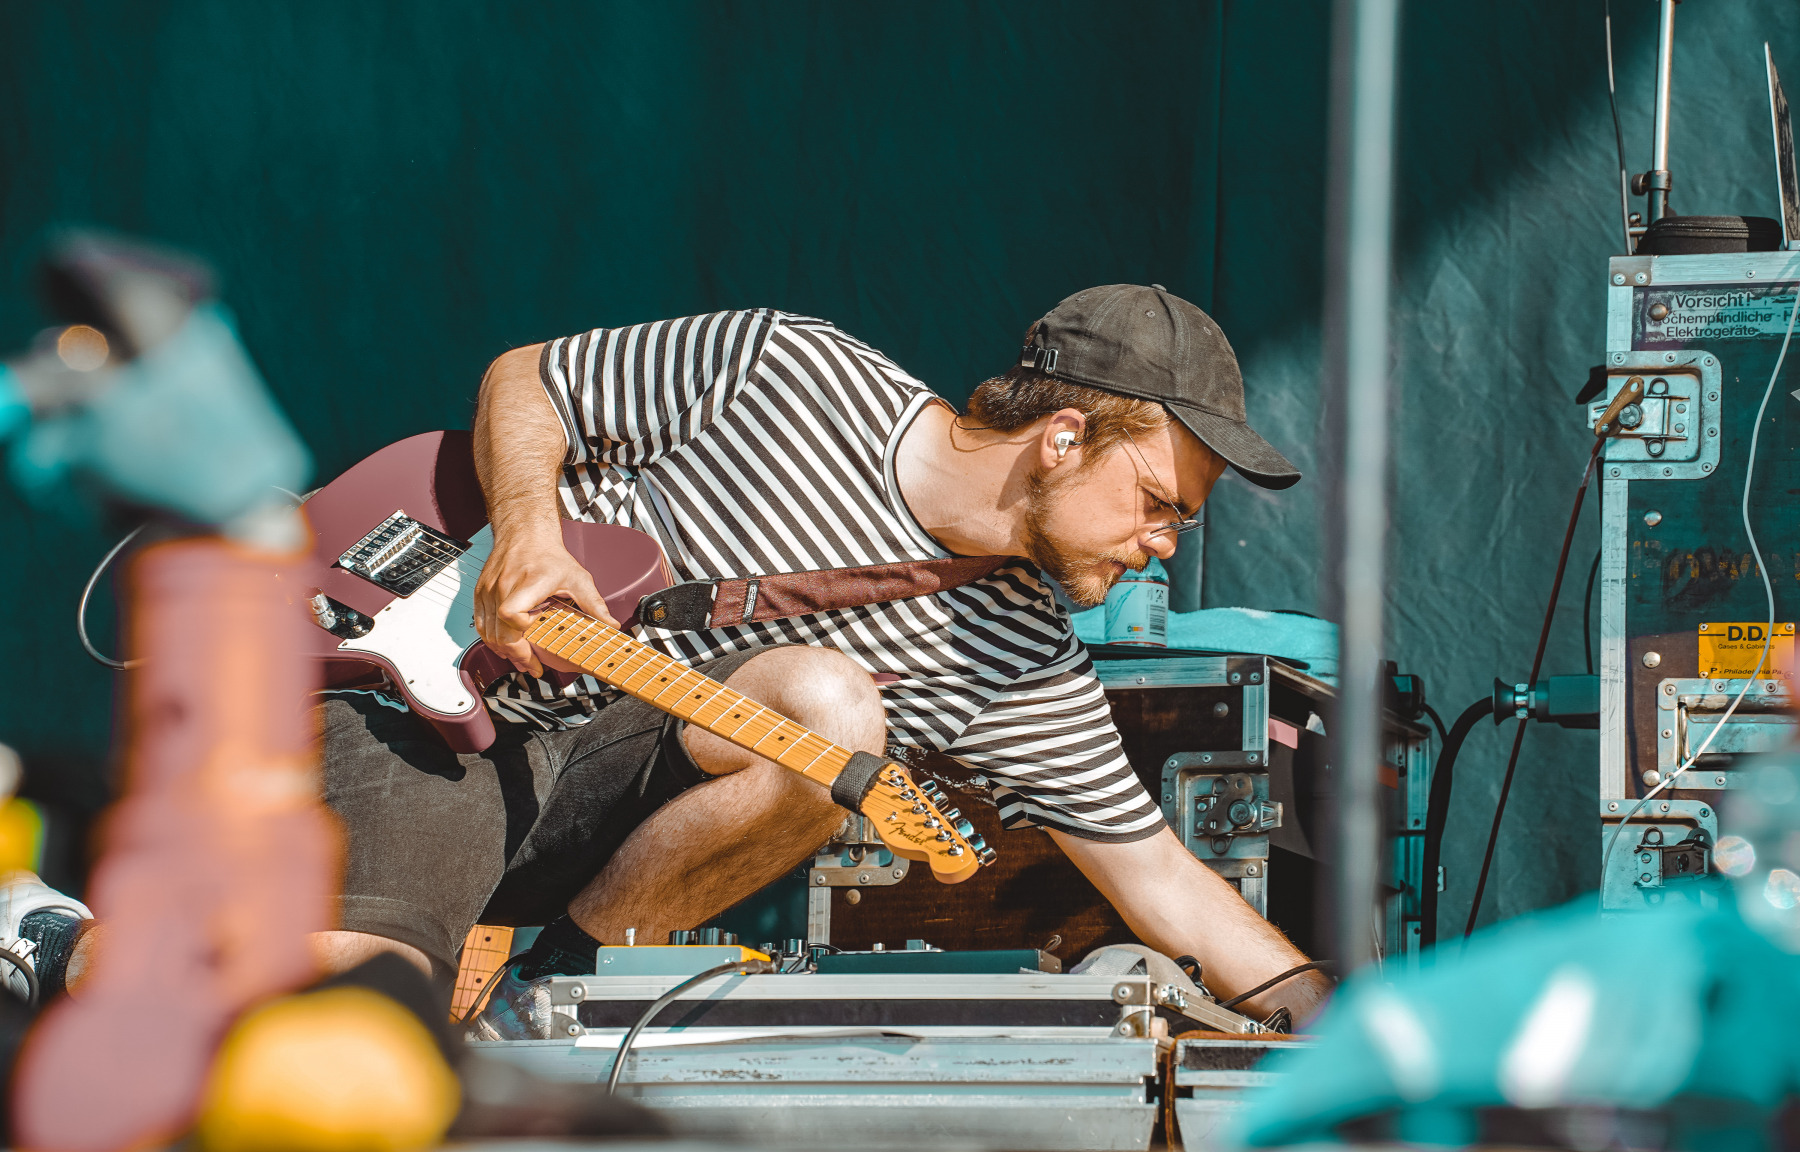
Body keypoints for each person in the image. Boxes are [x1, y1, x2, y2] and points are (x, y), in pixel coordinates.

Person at [22, 285, 1332, 1031]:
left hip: (595, 794)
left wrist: (1343, 1028)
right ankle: (54, 936)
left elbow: (1167, 882)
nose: (1166, 543)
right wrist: (529, 537)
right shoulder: (794, 369)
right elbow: (530, 380)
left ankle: (551, 994)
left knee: (833, 708)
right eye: (1159, 501)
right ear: (1064, 437)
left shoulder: (1020, 658)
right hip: (428, 706)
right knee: (354, 1019)